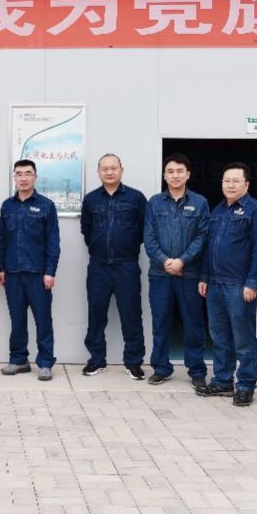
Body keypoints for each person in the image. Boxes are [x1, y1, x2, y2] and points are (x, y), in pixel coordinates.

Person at [197, 162, 257, 406]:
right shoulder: (218, 210)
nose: (230, 185)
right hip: (215, 284)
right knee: (219, 336)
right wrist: (204, 277)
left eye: (236, 180)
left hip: (239, 285)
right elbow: (209, 247)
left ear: (246, 184)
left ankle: (246, 385)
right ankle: (222, 380)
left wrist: (253, 283)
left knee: (243, 339)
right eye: (226, 180)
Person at [143, 154, 209, 388]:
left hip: (189, 273)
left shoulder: (200, 203)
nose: (175, 175)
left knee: (193, 323)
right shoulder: (154, 203)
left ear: (188, 174)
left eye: (180, 171)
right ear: (164, 175)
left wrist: (182, 261)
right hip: (159, 274)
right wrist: (165, 261)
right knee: (160, 322)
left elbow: (202, 236)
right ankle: (161, 368)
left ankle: (197, 370)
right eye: (170, 171)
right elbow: (149, 237)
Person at [80, 153, 147, 379]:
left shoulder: (136, 198)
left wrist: (127, 245)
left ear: (121, 170)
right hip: (98, 266)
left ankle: (134, 362)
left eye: (113, 168)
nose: (109, 172)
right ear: (98, 172)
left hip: (127, 265)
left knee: (131, 314)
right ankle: (96, 360)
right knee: (96, 314)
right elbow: (86, 230)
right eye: (105, 168)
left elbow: (144, 230)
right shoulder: (91, 200)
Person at [0, 159, 61, 381]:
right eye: (19, 174)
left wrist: (50, 271)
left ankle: (45, 363)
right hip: (12, 273)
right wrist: (1, 267)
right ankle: (18, 359)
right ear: (14, 177)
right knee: (17, 319)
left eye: (28, 173)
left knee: (43, 320)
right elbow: (1, 240)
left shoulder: (46, 206)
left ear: (35, 176)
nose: (23, 178)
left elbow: (53, 241)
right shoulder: (7, 206)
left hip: (38, 274)